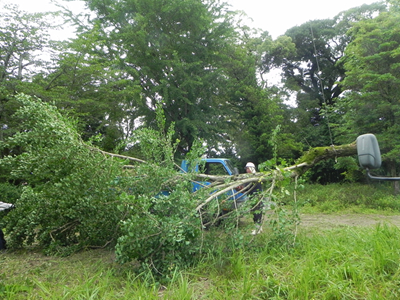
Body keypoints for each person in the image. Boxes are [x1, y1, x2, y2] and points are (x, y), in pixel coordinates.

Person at [244, 162, 264, 235]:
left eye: (247, 168)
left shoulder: (255, 177)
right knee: (254, 212)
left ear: (251, 168)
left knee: (257, 213)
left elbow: (248, 187)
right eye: (246, 169)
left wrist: (242, 188)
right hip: (253, 197)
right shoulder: (250, 176)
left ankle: (258, 229)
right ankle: (258, 227)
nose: (247, 170)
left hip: (257, 197)